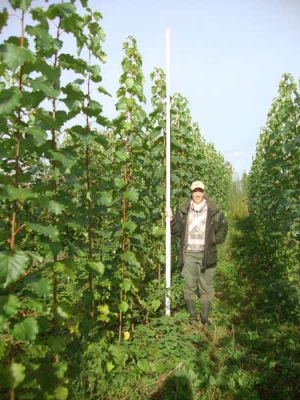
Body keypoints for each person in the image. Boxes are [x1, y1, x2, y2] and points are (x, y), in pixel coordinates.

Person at [170, 180, 228, 326]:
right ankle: (192, 316)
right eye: (195, 191)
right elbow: (174, 231)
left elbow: (223, 227)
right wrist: (170, 219)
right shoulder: (183, 210)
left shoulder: (213, 210)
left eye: (200, 191)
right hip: (188, 253)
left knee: (206, 287)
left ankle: (204, 317)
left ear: (203, 192)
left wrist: (215, 239)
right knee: (189, 286)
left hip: (207, 254)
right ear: (191, 192)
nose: (198, 193)